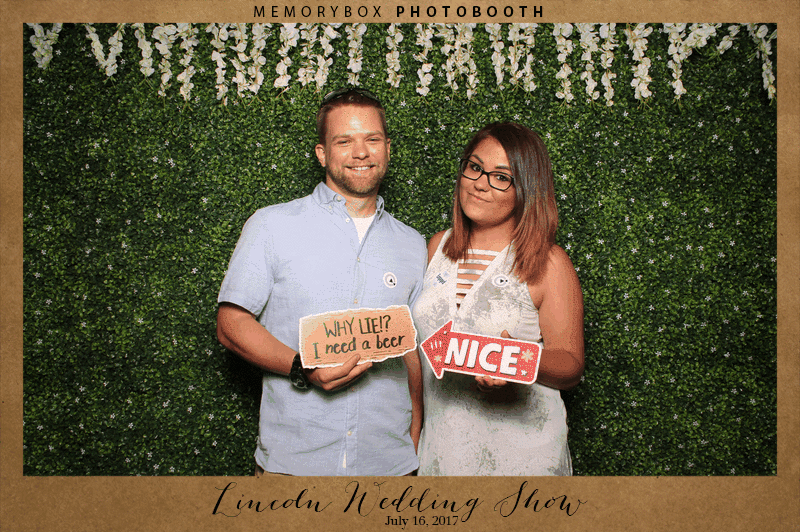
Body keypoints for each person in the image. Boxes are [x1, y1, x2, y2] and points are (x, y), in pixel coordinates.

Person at [216, 88, 427, 476]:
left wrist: (413, 438)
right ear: (322, 153)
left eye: (372, 139)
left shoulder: (412, 244)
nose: (360, 152)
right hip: (294, 468)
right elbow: (231, 325)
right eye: (344, 141)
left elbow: (409, 348)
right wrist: (301, 368)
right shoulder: (271, 226)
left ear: (387, 149)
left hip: (389, 467)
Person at [412, 122, 584, 476]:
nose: (480, 183)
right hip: (443, 454)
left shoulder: (549, 262)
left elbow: (570, 365)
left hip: (524, 463)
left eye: (501, 177)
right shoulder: (437, 247)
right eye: (475, 167)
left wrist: (515, 359)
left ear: (526, 189)